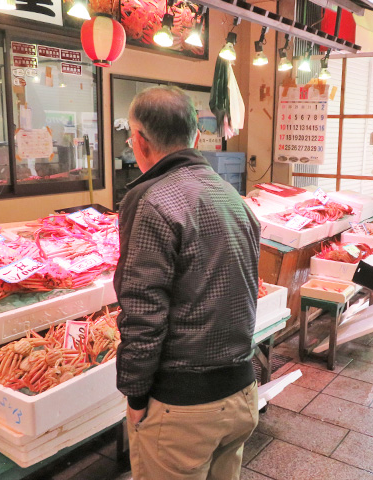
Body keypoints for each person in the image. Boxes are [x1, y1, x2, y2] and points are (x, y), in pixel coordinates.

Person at [113, 85, 261, 480]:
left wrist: (135, 393)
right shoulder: (232, 196)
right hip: (243, 393)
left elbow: (143, 310)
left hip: (184, 411)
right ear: (195, 138)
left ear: (140, 142)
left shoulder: (150, 200)